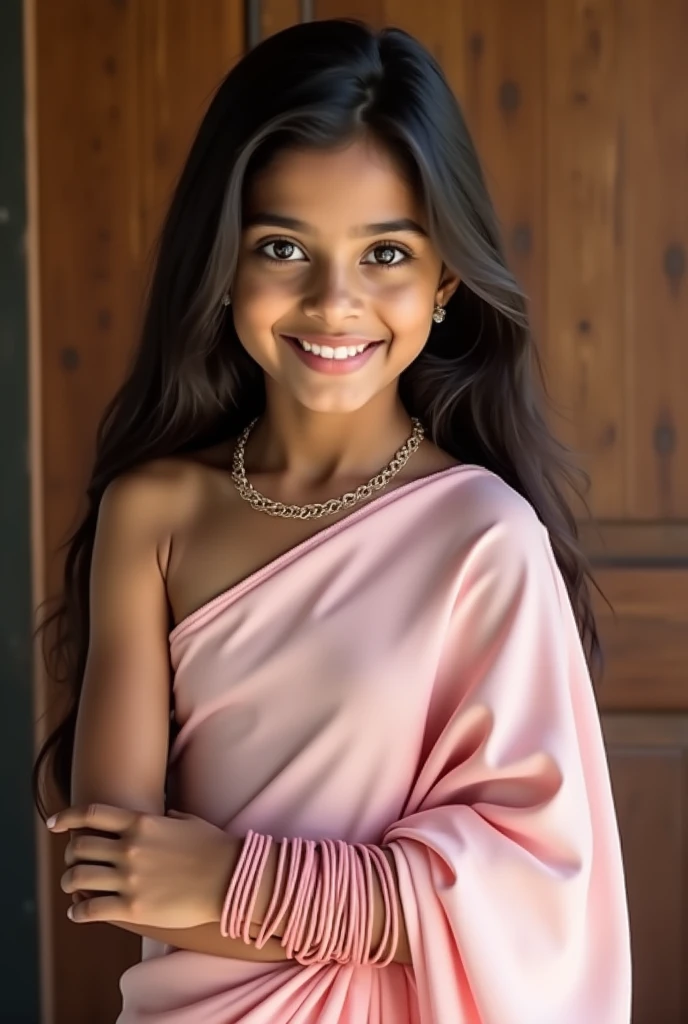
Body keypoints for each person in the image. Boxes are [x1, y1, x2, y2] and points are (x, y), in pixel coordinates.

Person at [33, 18, 632, 1024]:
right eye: (282, 247)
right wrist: (296, 893)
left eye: (385, 253)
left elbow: (532, 896)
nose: (333, 302)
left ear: (444, 280)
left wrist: (232, 882)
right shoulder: (155, 512)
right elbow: (117, 870)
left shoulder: (485, 539)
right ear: (223, 263)